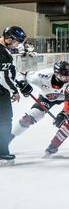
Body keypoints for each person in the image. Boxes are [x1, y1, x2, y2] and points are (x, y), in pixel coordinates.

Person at [11, 61, 69, 141]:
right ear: (57, 74)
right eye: (65, 76)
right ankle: (9, 137)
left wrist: (64, 113)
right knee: (28, 119)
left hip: (67, 99)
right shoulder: (42, 76)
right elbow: (22, 74)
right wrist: (22, 83)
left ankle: (54, 145)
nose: (68, 78)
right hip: (46, 98)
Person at [0, 26, 32, 166]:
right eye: (16, 42)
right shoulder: (3, 53)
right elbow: (2, 77)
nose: (17, 45)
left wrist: (16, 82)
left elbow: (7, 74)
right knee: (5, 121)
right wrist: (14, 90)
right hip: (1, 92)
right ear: (8, 39)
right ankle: (2, 152)